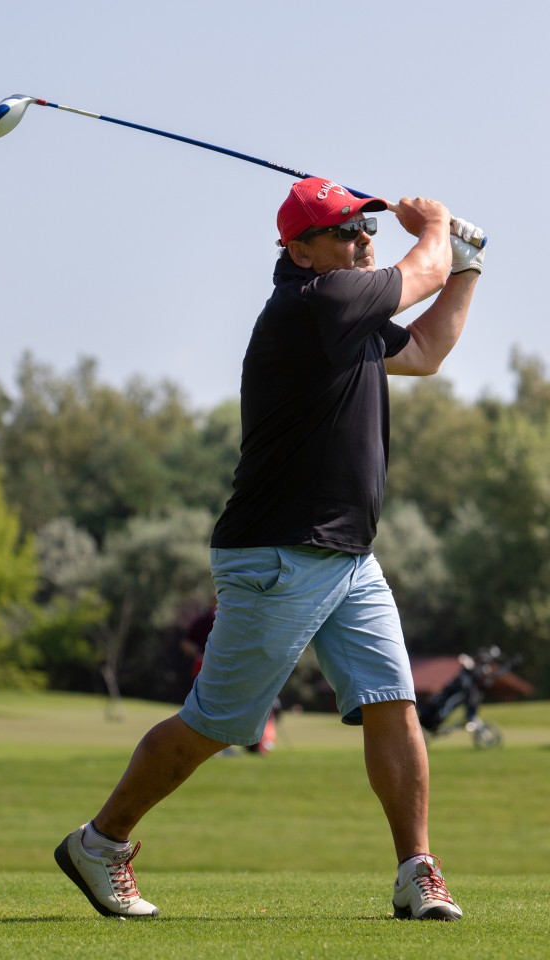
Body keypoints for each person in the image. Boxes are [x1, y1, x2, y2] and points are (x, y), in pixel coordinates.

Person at [54, 177, 485, 922]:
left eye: (365, 228)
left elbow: (424, 352)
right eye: (346, 231)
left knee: (393, 701)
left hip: (348, 557)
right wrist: (438, 227)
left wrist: (466, 268)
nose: (362, 240)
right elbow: (421, 272)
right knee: (217, 723)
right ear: (300, 250)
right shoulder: (317, 302)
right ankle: (100, 841)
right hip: (279, 554)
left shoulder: (346, 313)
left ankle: (417, 870)